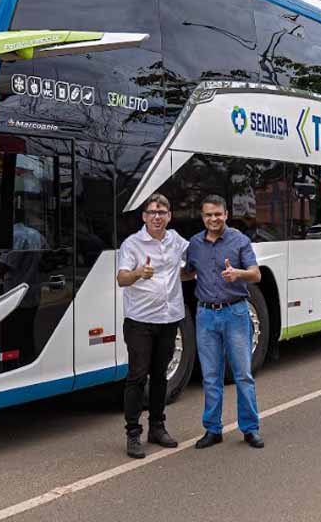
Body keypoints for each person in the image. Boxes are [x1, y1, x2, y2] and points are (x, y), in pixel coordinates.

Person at [185, 194, 264, 449]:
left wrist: (236, 274)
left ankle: (250, 429)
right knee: (210, 376)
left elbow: (256, 275)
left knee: (242, 375)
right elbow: (187, 272)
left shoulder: (239, 240)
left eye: (217, 214)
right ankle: (212, 429)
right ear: (203, 217)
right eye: (208, 214)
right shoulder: (195, 244)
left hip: (235, 313)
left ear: (226, 214)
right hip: (206, 315)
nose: (213, 219)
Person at [117, 193, 189, 459]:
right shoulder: (132, 244)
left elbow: (190, 262)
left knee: (161, 375)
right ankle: (133, 433)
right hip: (140, 321)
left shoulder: (176, 241)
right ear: (144, 217)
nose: (157, 217)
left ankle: (157, 427)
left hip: (169, 319)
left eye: (162, 212)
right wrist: (139, 273)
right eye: (152, 212)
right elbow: (122, 279)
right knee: (137, 376)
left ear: (169, 216)